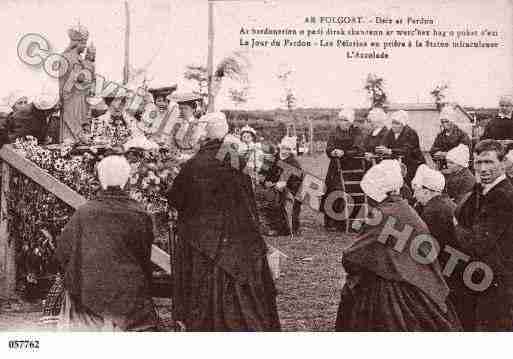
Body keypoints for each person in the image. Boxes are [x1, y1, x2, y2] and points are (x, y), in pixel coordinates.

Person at [167, 112, 280, 331]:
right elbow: (248, 196)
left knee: (203, 287)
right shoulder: (235, 158)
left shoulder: (194, 164)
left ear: (204, 135)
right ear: (225, 133)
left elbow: (176, 198)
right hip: (239, 238)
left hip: (202, 241)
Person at [335, 160, 461, 331]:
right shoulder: (404, 208)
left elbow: (353, 256)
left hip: (397, 288)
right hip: (419, 282)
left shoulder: (384, 214)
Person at [55, 155, 158, 331]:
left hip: (89, 299)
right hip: (130, 303)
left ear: (101, 180)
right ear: (127, 180)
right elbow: (144, 262)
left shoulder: (84, 213)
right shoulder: (140, 214)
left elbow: (62, 255)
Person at [455, 139, 513, 331]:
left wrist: (457, 227)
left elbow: (477, 243)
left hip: (497, 281)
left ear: (503, 163)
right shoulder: (484, 190)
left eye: (489, 162)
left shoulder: (502, 195)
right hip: (485, 277)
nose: (483, 168)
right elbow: (462, 213)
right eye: (478, 163)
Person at [323, 107, 366, 232]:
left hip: (352, 167)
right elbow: (328, 148)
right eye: (340, 120)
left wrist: (345, 153)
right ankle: (332, 222)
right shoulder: (334, 131)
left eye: (345, 120)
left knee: (349, 192)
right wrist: (333, 151)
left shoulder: (356, 132)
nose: (342, 122)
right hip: (335, 167)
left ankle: (350, 221)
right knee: (332, 190)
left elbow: (359, 149)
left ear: (351, 121)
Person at [262, 136, 303, 236]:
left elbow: (297, 179)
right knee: (269, 197)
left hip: (290, 189)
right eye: (284, 148)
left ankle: (288, 228)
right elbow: (262, 173)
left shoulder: (294, 162)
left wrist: (285, 184)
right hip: (272, 186)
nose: (285, 151)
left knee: (286, 199)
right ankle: (273, 226)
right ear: (280, 147)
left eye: (288, 149)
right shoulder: (271, 158)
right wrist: (266, 181)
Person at [59, 24, 91, 142]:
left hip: (81, 97)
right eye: (84, 43)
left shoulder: (80, 59)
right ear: (77, 43)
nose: (85, 46)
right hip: (70, 98)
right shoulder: (65, 57)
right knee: (70, 132)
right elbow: (62, 82)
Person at [378, 110, 425, 185]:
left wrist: (390, 151)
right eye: (393, 123)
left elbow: (406, 150)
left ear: (403, 124)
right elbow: (383, 144)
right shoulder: (390, 132)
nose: (394, 125)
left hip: (413, 163)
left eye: (397, 123)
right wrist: (381, 149)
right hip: (398, 164)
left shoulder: (411, 133)